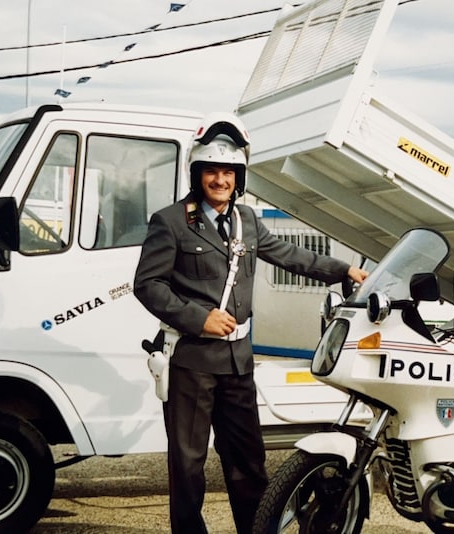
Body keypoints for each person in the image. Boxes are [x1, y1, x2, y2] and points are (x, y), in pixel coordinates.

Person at [133, 111, 368, 534]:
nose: (220, 180)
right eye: (212, 171)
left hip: (239, 363)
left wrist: (342, 270)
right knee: (188, 466)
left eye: (228, 172)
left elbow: (291, 255)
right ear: (197, 173)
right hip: (191, 362)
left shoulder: (247, 221)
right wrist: (199, 318)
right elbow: (148, 285)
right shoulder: (170, 222)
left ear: (238, 177)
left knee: (248, 463)